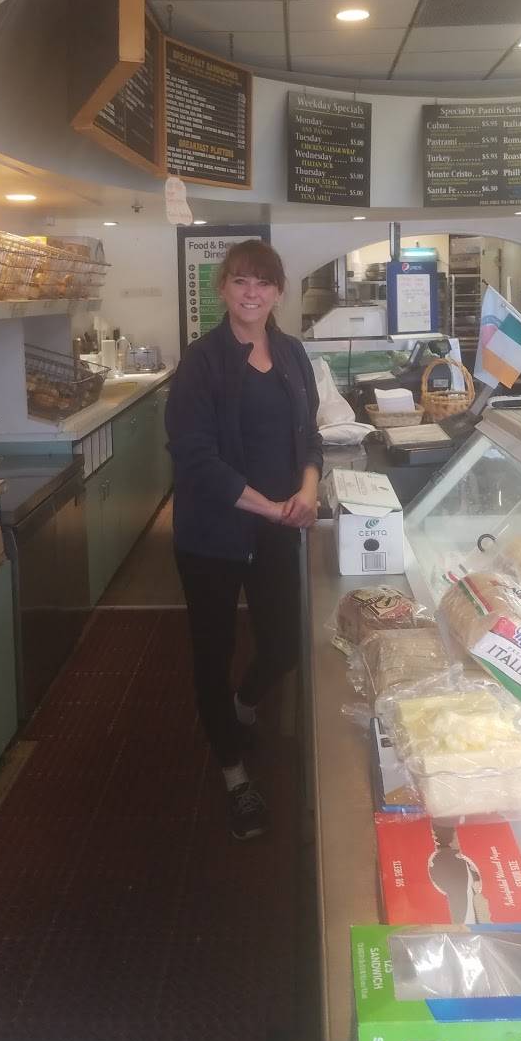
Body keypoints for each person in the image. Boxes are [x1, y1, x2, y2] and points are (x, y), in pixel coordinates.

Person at [165, 240, 322, 840]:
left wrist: (307, 489)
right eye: (240, 281)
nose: (251, 293)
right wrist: (272, 507)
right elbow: (195, 459)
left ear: (278, 292)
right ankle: (234, 775)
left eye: (262, 282)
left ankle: (244, 706)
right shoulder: (202, 361)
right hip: (212, 535)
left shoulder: (292, 354)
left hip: (278, 528)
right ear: (223, 289)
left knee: (283, 644)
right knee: (213, 653)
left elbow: (310, 437)